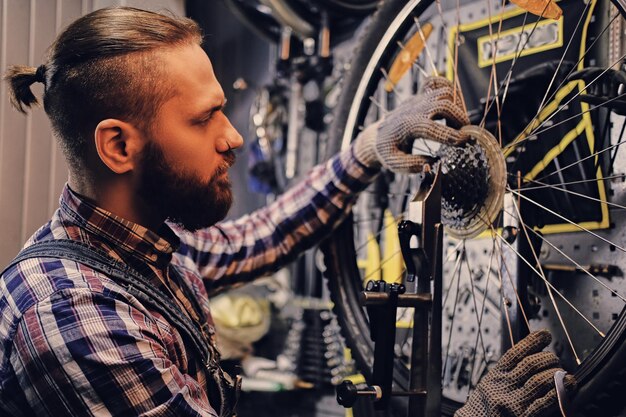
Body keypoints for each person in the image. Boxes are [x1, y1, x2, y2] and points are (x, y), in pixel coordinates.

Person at [0, 6, 572, 417]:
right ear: (119, 146)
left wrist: (369, 146)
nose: (234, 139)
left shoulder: (144, 247)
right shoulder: (73, 318)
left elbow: (262, 236)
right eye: (203, 120)